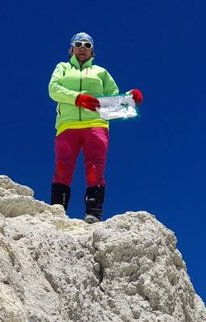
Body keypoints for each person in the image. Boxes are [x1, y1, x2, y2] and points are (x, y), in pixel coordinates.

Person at [48, 32, 142, 223]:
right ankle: (57, 212)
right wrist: (77, 98)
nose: (83, 47)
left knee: (94, 167)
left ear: (92, 51)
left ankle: (93, 213)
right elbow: (53, 89)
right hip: (67, 125)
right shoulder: (63, 68)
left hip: (96, 124)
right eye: (78, 44)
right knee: (62, 167)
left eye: (87, 45)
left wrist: (131, 97)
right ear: (71, 49)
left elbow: (114, 96)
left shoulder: (101, 72)